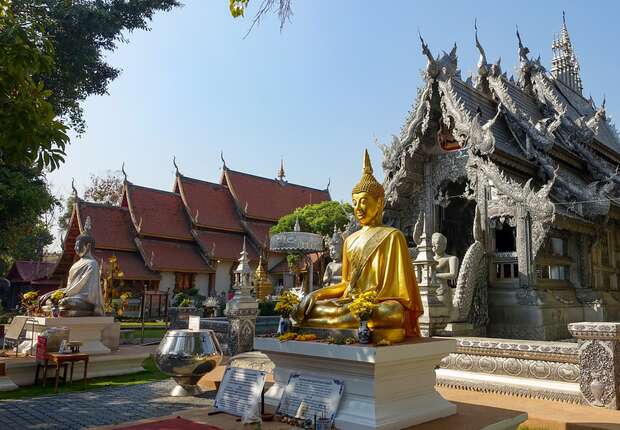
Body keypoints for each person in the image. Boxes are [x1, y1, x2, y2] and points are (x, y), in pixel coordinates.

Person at [293, 150, 423, 343]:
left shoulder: (393, 236)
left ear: (379, 203)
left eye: (364, 201)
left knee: (392, 313)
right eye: (354, 203)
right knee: (311, 308)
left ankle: (352, 319)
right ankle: (347, 319)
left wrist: (368, 304)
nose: (358, 208)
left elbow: (400, 295)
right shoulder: (350, 240)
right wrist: (316, 294)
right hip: (350, 303)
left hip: (379, 304)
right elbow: (346, 283)